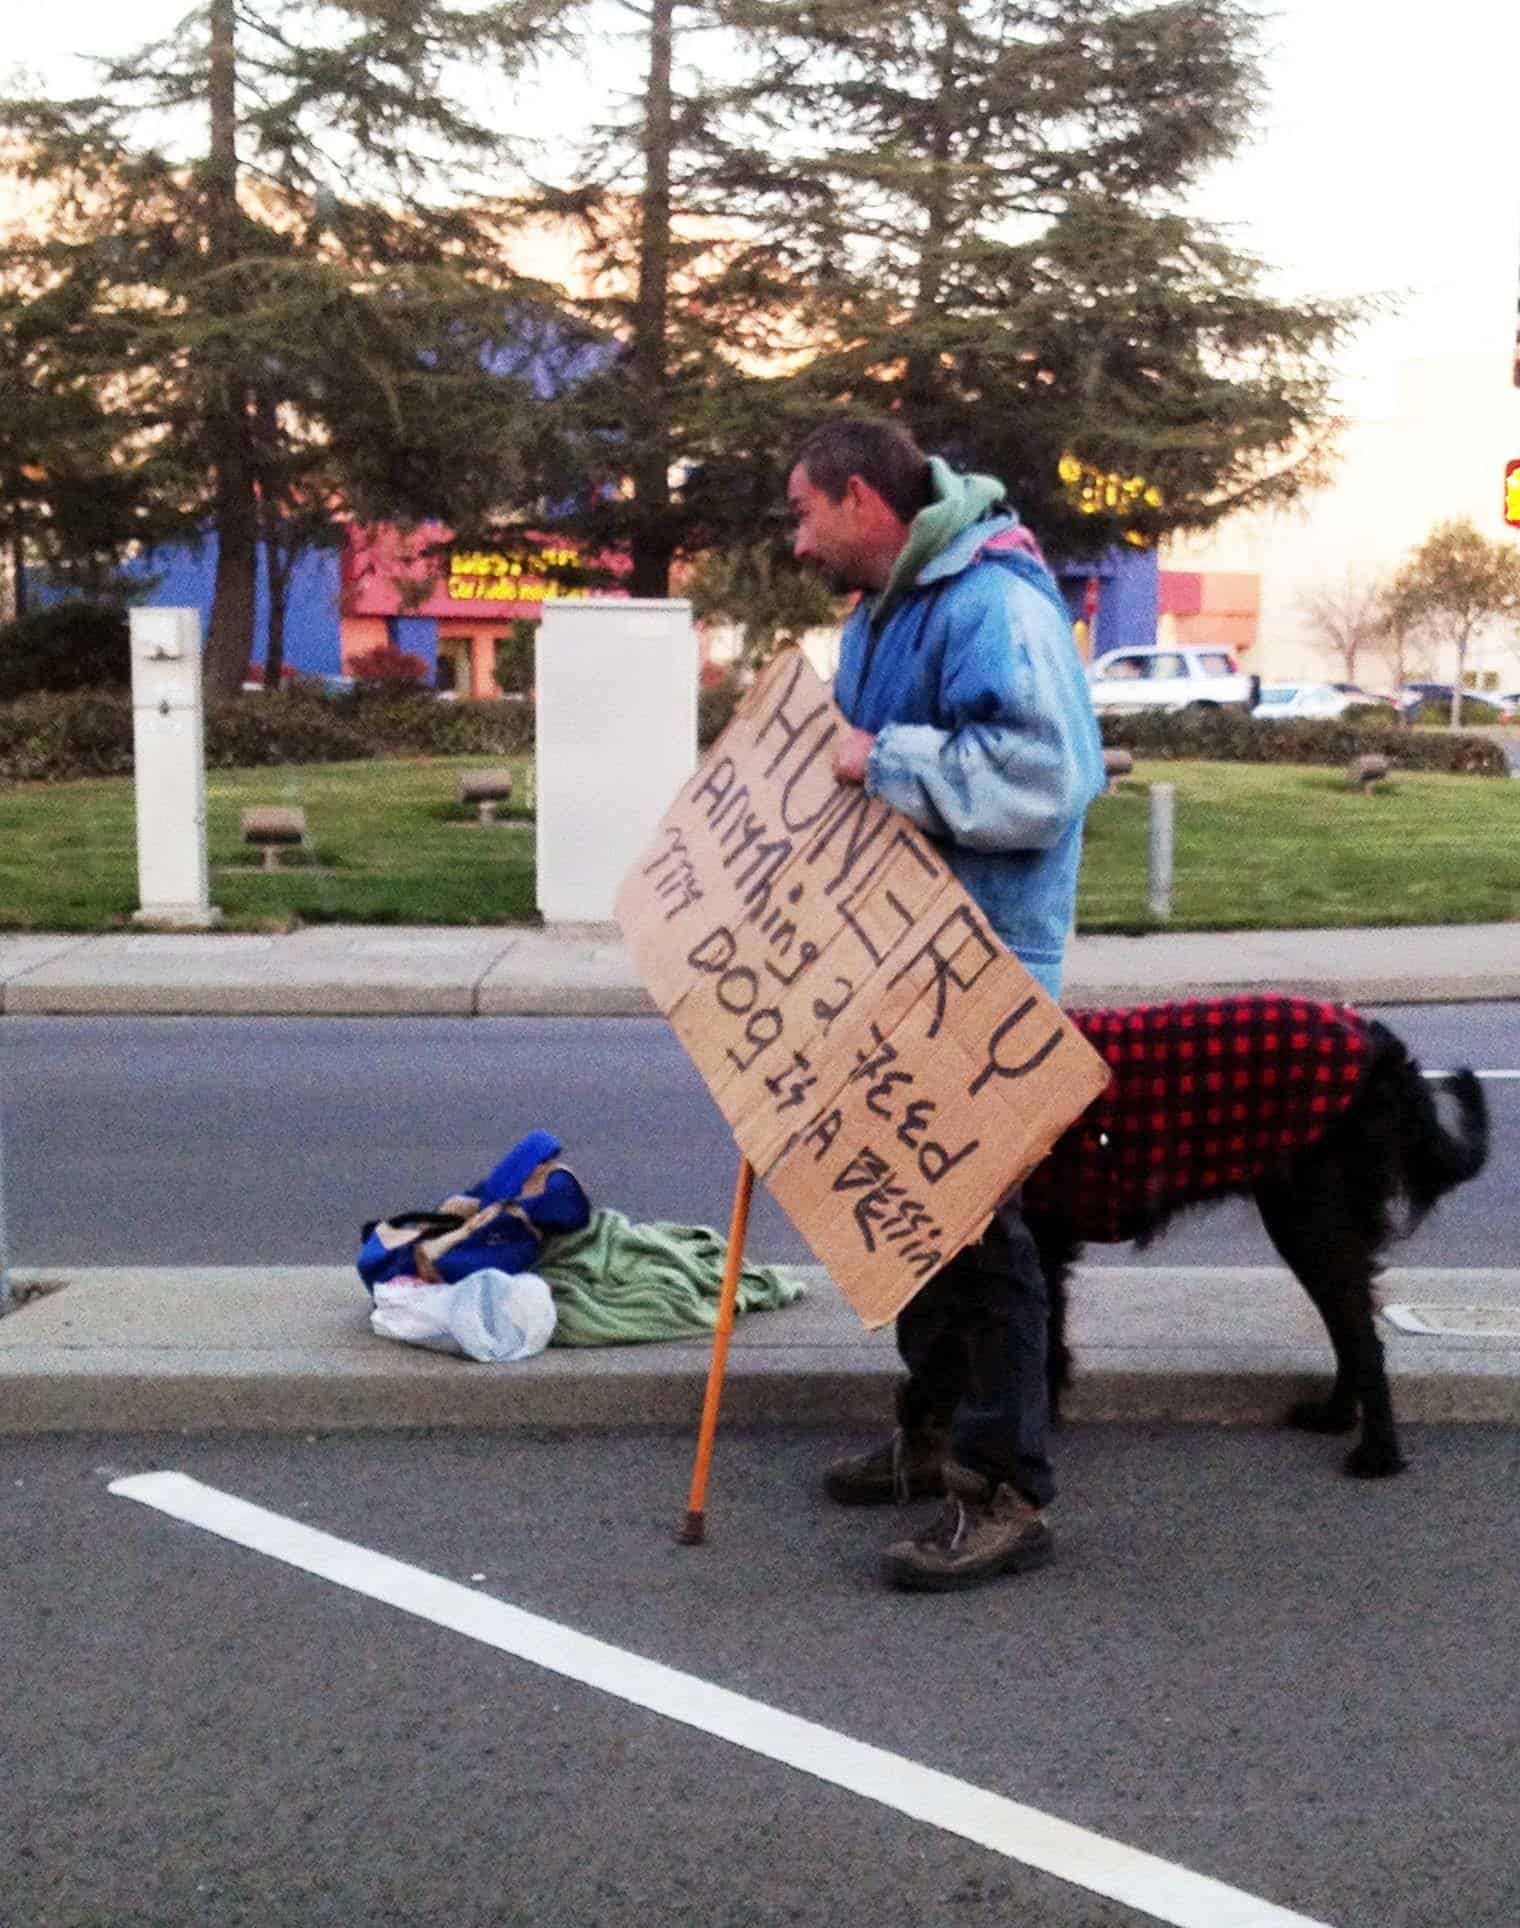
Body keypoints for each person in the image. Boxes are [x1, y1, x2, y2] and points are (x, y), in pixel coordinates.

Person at [786, 417, 1105, 1592]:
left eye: (802, 513)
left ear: (861, 498)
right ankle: (928, 1437)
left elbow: (1046, 777)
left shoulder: (994, 604)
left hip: (980, 967)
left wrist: (881, 761)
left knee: (979, 1232)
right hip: (896, 960)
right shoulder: (883, 610)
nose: (797, 539)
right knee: (915, 1222)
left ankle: (1003, 1487)